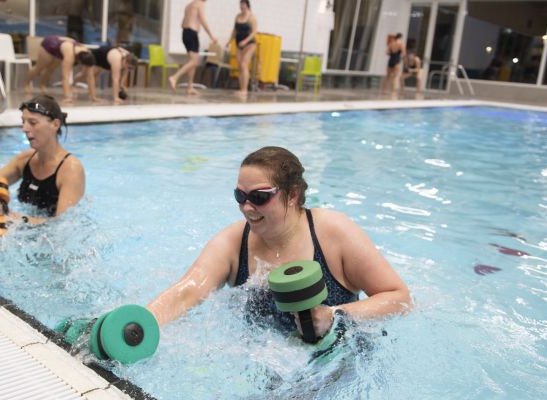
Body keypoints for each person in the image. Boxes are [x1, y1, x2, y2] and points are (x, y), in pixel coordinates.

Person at [147, 146, 412, 341]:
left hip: (338, 364)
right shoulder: (233, 242)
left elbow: (399, 298)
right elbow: (187, 293)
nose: (247, 207)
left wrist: (335, 316)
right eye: (240, 195)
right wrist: (139, 325)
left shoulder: (333, 232)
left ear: (293, 194)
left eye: (260, 197)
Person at [0, 95, 86, 224]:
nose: (25, 128)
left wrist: (12, 216)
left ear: (55, 124)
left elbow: (62, 224)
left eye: (33, 123)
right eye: (23, 122)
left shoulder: (71, 169)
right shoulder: (25, 160)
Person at [24, 36, 96, 105]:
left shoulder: (88, 54)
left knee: (51, 69)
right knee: (39, 68)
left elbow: (90, 77)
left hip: (61, 48)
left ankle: (42, 85)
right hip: (50, 45)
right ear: (79, 61)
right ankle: (27, 83)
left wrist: (93, 97)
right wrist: (67, 97)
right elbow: (65, 76)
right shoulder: (69, 56)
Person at [168, 0, 217, 95]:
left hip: (185, 33)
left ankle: (189, 88)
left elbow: (182, 23)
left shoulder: (189, 5)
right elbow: (203, 20)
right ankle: (174, 77)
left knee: (193, 61)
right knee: (195, 61)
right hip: (192, 33)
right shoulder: (200, 4)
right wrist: (211, 36)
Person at [73, 46, 138, 104]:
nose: (128, 69)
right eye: (129, 67)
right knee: (85, 75)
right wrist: (116, 97)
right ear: (125, 60)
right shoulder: (117, 60)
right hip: (97, 55)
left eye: (131, 68)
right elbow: (115, 79)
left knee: (93, 76)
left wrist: (122, 85)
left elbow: (125, 72)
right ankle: (74, 84)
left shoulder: (128, 59)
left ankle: (91, 95)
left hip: (106, 60)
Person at [227, 0, 258, 98]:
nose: (241, 7)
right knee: (240, 66)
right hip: (238, 44)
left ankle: (245, 90)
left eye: (243, 5)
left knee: (244, 64)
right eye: (240, 5)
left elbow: (254, 32)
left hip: (250, 44)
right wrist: (229, 41)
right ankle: (241, 89)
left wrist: (245, 41)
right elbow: (234, 30)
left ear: (247, 5)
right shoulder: (237, 16)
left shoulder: (251, 17)